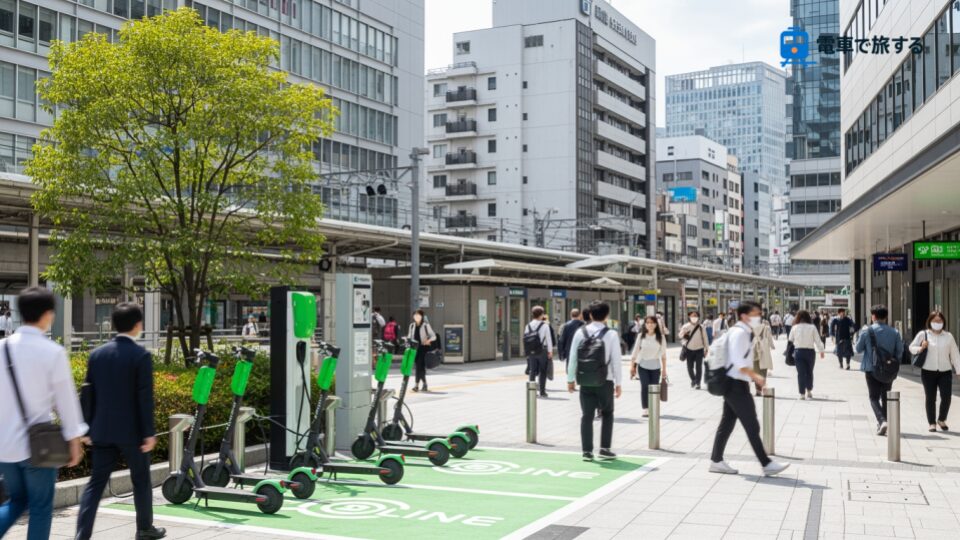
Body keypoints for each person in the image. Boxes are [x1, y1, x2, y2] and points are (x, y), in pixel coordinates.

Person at [0, 287, 87, 540]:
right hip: (39, 448)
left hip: (5, 446)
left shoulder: (2, 347)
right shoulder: (52, 352)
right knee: (39, 506)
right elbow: (67, 402)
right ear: (48, 315)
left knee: (17, 499)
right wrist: (74, 442)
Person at [75, 303, 165, 540]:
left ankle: (82, 535)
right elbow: (144, 397)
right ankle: (144, 528)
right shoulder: (141, 355)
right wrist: (149, 433)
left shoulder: (97, 354)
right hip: (133, 433)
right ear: (137, 325)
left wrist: (86, 426)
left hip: (102, 431)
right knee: (141, 480)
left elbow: (87, 392)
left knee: (95, 484)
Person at [709, 301, 789, 477]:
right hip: (736, 384)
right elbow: (738, 362)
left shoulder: (739, 331)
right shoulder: (740, 334)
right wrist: (757, 377)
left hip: (733, 383)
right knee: (752, 425)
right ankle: (766, 463)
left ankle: (716, 460)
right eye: (755, 314)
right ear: (744, 316)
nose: (758, 317)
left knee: (727, 423)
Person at [567, 302, 622, 461]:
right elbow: (616, 361)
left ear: (590, 315)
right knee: (607, 414)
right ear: (607, 316)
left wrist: (570, 379)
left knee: (586, 415)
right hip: (606, 380)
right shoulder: (611, 334)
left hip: (585, 380)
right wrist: (618, 383)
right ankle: (604, 449)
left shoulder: (580, 332)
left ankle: (587, 451)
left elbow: (573, 358)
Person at [855, 305, 905, 436]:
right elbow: (900, 351)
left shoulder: (867, 331)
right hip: (889, 370)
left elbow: (858, 349)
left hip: (871, 369)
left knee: (873, 397)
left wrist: (861, 334)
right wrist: (891, 362)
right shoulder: (894, 332)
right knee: (886, 397)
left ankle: (882, 421)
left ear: (873, 316)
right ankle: (884, 422)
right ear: (886, 316)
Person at [908, 311, 960, 432]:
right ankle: (931, 423)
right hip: (928, 371)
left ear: (944, 322)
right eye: (935, 321)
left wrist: (958, 371)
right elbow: (911, 347)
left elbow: (955, 355)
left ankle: (942, 419)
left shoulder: (948, 336)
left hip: (945, 371)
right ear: (930, 321)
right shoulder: (924, 334)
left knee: (946, 397)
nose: (938, 323)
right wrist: (921, 348)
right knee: (930, 397)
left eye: (940, 321)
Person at [630, 316, 668, 417]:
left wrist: (664, 370)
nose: (650, 325)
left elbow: (664, 355)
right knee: (644, 387)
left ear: (656, 324)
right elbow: (635, 352)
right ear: (645, 324)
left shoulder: (661, 337)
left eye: (652, 323)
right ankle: (645, 408)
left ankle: (654, 408)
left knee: (654, 388)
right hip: (642, 365)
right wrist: (632, 366)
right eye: (648, 323)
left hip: (655, 366)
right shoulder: (641, 336)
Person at [789, 310, 825, 400]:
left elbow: (790, 340)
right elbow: (818, 340)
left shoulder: (794, 327)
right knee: (809, 371)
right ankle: (809, 390)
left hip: (798, 352)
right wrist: (821, 351)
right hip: (810, 353)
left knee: (801, 373)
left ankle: (802, 393)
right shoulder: (812, 327)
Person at [524, 306, 554, 398]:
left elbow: (525, 339)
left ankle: (532, 392)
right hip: (542, 351)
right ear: (541, 315)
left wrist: (527, 352)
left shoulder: (528, 325)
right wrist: (550, 351)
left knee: (532, 371)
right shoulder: (545, 325)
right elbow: (549, 339)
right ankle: (542, 392)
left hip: (531, 351)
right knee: (543, 371)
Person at [406, 310, 436, 392]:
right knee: (419, 367)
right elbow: (409, 336)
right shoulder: (411, 326)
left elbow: (434, 336)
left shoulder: (426, 325)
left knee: (419, 367)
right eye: (415, 315)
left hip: (423, 348)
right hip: (414, 349)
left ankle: (416, 385)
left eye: (418, 315)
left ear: (422, 316)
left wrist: (428, 340)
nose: (416, 317)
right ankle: (424, 384)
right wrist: (407, 340)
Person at [678, 311, 709, 390]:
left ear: (698, 317)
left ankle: (698, 383)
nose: (694, 317)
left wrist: (706, 349)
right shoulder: (686, 326)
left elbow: (705, 338)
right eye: (692, 316)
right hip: (689, 349)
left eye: (695, 316)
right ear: (689, 317)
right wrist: (684, 333)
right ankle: (693, 380)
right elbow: (680, 335)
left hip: (699, 349)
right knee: (689, 367)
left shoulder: (701, 327)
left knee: (699, 367)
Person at [752, 317, 776, 396]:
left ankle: (758, 390)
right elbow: (769, 338)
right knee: (763, 371)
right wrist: (772, 346)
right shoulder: (766, 328)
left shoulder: (751, 328)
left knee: (756, 371)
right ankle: (762, 387)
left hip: (754, 351)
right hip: (764, 350)